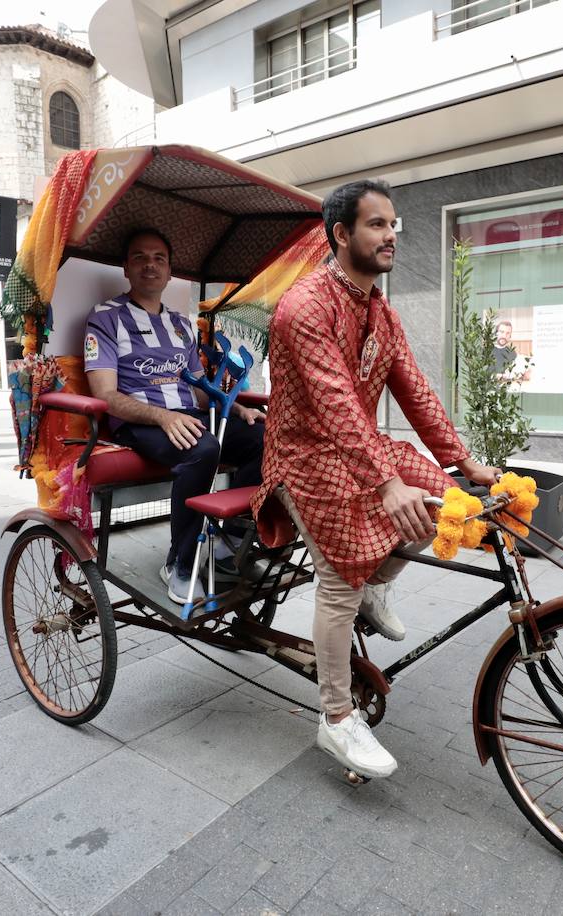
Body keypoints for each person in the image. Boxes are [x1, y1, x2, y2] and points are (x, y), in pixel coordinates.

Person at [251, 180, 499, 779]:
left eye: (394, 224)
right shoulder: (305, 305)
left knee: (449, 503)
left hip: (359, 451)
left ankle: (378, 585)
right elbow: (335, 402)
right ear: (340, 235)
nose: (391, 235)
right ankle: (336, 719)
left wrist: (463, 462)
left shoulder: (380, 311)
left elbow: (413, 388)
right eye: (376, 224)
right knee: (340, 578)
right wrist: (386, 486)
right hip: (303, 458)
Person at [84, 228, 267, 604]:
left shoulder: (182, 324)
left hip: (186, 414)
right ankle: (181, 564)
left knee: (263, 434)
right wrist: (163, 418)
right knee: (202, 448)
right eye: (139, 257)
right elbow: (105, 394)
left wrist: (235, 407)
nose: (149, 265)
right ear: (126, 267)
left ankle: (229, 539)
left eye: (158, 259)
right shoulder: (105, 317)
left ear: (169, 272)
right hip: (138, 422)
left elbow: (200, 390)